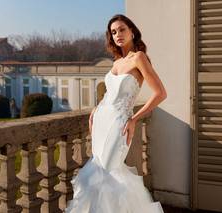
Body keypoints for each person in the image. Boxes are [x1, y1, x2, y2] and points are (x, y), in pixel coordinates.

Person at [65, 14, 167, 213]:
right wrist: (97, 109)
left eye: (121, 29)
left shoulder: (139, 58)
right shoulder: (116, 62)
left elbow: (160, 93)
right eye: (113, 32)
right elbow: (111, 94)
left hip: (120, 122)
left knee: (110, 171)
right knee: (98, 170)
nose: (118, 34)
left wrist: (134, 119)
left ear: (132, 31)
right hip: (102, 120)